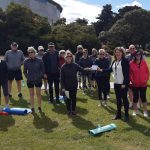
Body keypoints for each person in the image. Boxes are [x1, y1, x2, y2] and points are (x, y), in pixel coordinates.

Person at [98, 47, 129, 121]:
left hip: (123, 84)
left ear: (122, 53)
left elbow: (127, 74)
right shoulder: (114, 61)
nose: (118, 53)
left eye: (119, 52)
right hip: (116, 83)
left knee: (124, 99)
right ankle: (118, 114)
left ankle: (126, 115)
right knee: (118, 99)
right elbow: (110, 70)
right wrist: (101, 70)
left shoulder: (125, 61)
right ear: (114, 53)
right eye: (116, 52)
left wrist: (124, 83)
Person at [61, 51, 90, 116]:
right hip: (66, 86)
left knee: (73, 98)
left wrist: (89, 68)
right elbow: (62, 78)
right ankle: (68, 110)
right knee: (68, 99)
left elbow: (82, 69)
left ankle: (73, 110)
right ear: (65, 57)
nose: (69, 57)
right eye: (67, 56)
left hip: (74, 85)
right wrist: (63, 87)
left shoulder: (75, 65)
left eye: (70, 56)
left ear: (72, 57)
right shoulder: (63, 67)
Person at [24, 47, 44, 113]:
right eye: (29, 52)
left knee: (38, 94)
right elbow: (24, 71)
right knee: (31, 94)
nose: (30, 53)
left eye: (31, 52)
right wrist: (28, 77)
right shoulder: (26, 61)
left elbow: (42, 70)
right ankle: (32, 108)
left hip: (38, 80)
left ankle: (39, 107)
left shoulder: (40, 61)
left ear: (34, 52)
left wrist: (39, 77)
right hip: (30, 81)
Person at [129, 50, 149, 117]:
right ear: (134, 56)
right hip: (135, 84)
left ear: (141, 55)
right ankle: (135, 111)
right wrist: (133, 80)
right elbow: (130, 73)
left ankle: (145, 111)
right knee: (135, 97)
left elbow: (147, 72)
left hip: (143, 83)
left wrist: (146, 79)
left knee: (143, 97)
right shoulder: (131, 63)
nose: (138, 56)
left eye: (139, 55)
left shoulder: (144, 62)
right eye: (137, 55)